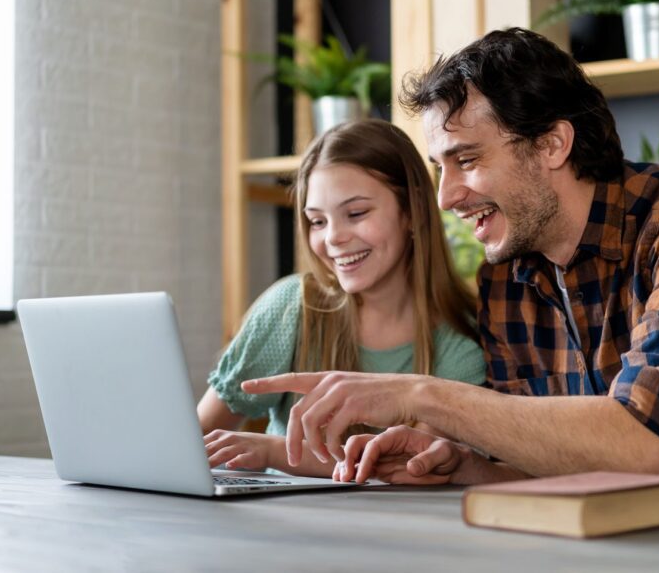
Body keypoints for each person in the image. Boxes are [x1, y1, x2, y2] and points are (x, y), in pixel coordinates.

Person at [244, 28, 659, 499]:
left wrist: (422, 396)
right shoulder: (506, 279)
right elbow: (569, 472)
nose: (446, 196)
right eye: (439, 167)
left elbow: (645, 444)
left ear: (552, 144)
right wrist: (466, 468)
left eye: (467, 159)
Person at [197, 118, 486, 477]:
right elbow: (196, 436)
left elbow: (406, 467)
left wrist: (271, 451)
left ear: (412, 212)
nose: (333, 237)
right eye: (317, 221)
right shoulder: (293, 307)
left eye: (356, 213)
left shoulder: (462, 343)